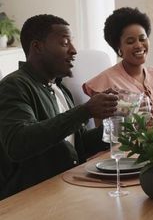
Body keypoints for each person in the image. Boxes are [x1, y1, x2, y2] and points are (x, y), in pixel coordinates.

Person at [0, 14, 119, 200]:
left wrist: (118, 123)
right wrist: (85, 111)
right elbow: (18, 143)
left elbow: (76, 146)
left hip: (70, 189)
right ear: (37, 47)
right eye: (65, 43)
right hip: (31, 200)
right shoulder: (14, 86)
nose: (74, 50)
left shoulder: (59, 88)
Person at [83, 7, 153, 120]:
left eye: (142, 39)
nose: (139, 45)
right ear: (119, 48)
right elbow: (102, 130)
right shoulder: (105, 82)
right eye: (130, 41)